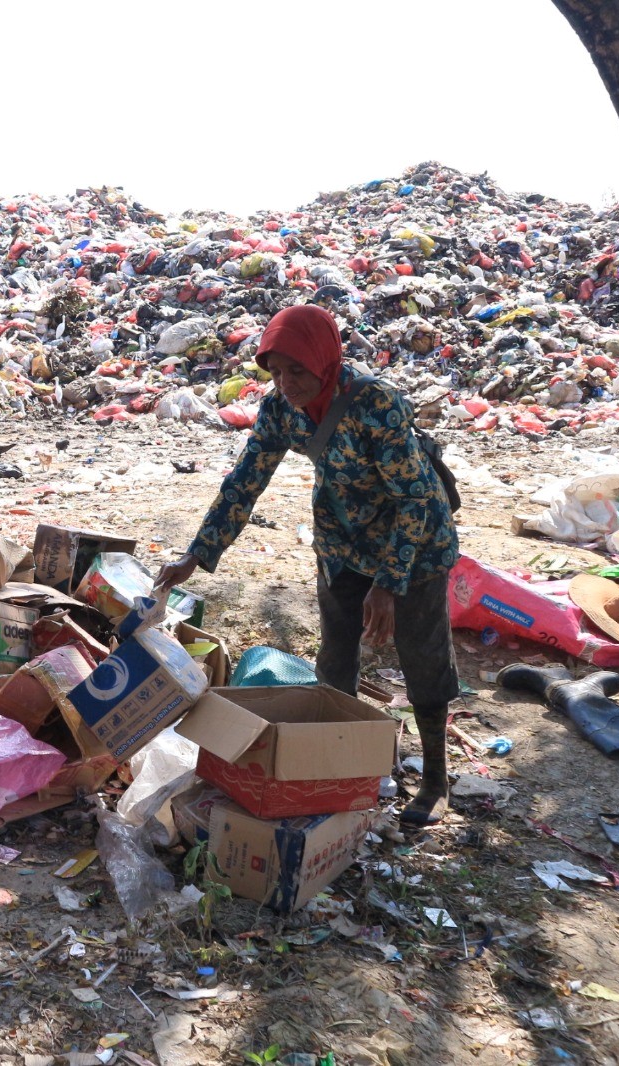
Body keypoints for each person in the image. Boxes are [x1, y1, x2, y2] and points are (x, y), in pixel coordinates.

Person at [155, 304, 460, 826]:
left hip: (413, 544)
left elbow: (416, 498)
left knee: (423, 660)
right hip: (341, 543)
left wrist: (389, 584)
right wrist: (197, 553)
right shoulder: (281, 409)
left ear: (325, 361)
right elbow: (245, 482)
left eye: (297, 369)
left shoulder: (375, 403)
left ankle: (435, 779)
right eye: (276, 372)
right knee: (335, 660)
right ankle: (340, 765)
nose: (286, 383)